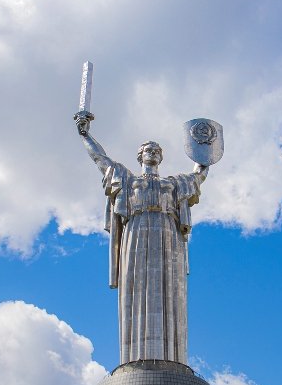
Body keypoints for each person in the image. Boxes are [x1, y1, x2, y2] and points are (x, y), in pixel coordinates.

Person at [75, 115, 211, 364]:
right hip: (136, 232)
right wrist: (85, 135)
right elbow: (100, 159)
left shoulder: (173, 184)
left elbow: (199, 175)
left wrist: (205, 150)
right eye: (148, 149)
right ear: (140, 156)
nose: (153, 152)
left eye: (157, 150)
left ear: (161, 158)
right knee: (136, 286)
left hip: (167, 234)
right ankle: (135, 357)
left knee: (170, 288)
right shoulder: (128, 180)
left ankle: (171, 357)